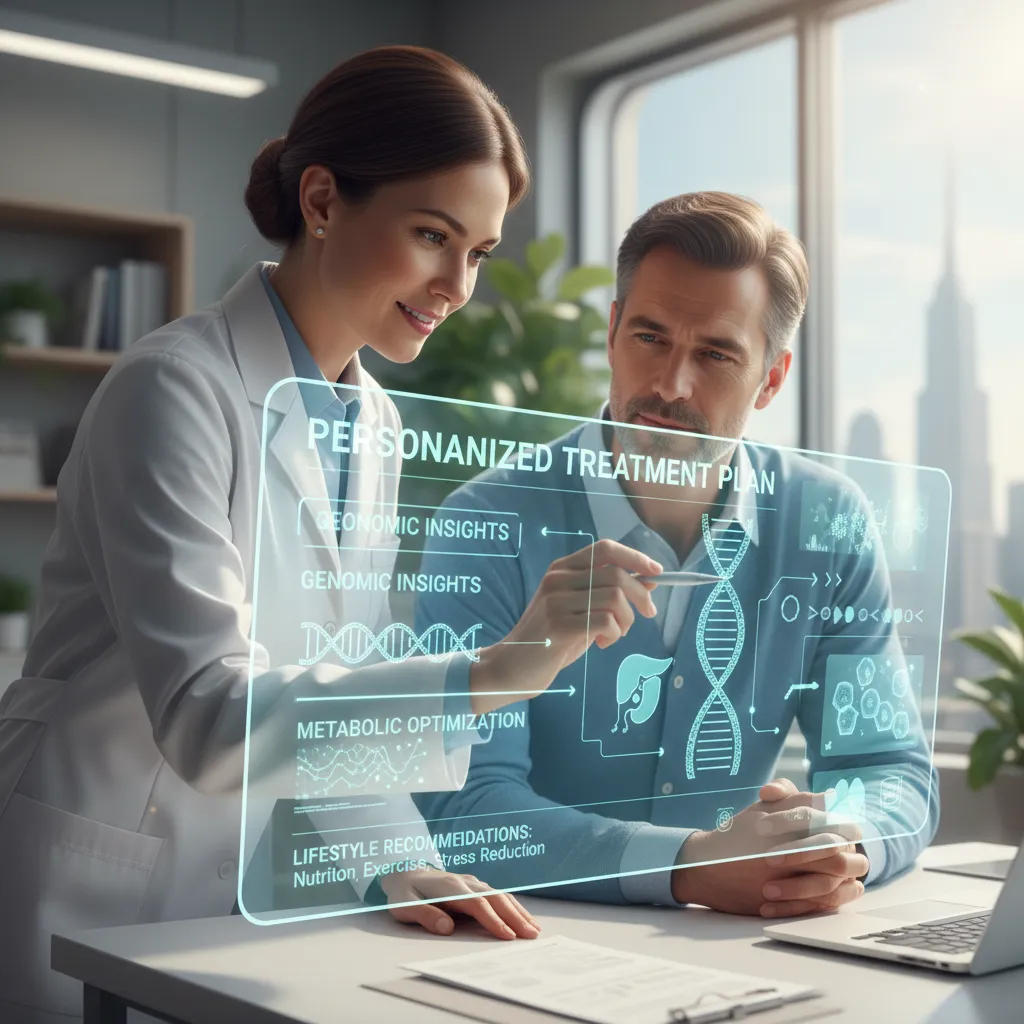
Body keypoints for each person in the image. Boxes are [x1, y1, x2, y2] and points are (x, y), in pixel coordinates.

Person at [0, 46, 545, 1024]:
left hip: (228, 899)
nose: (458, 283)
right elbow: (209, 716)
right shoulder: (173, 387)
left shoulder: (373, 422)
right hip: (95, 863)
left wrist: (403, 861)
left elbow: (337, 674)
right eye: (432, 234)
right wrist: (491, 672)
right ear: (325, 201)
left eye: (479, 252)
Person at [413, 191, 939, 916]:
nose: (669, 386)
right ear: (611, 333)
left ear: (773, 377)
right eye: (650, 338)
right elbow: (465, 803)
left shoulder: (829, 518)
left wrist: (832, 846)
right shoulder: (487, 520)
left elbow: (886, 768)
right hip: (531, 934)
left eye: (716, 354)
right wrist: (690, 867)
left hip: (745, 940)